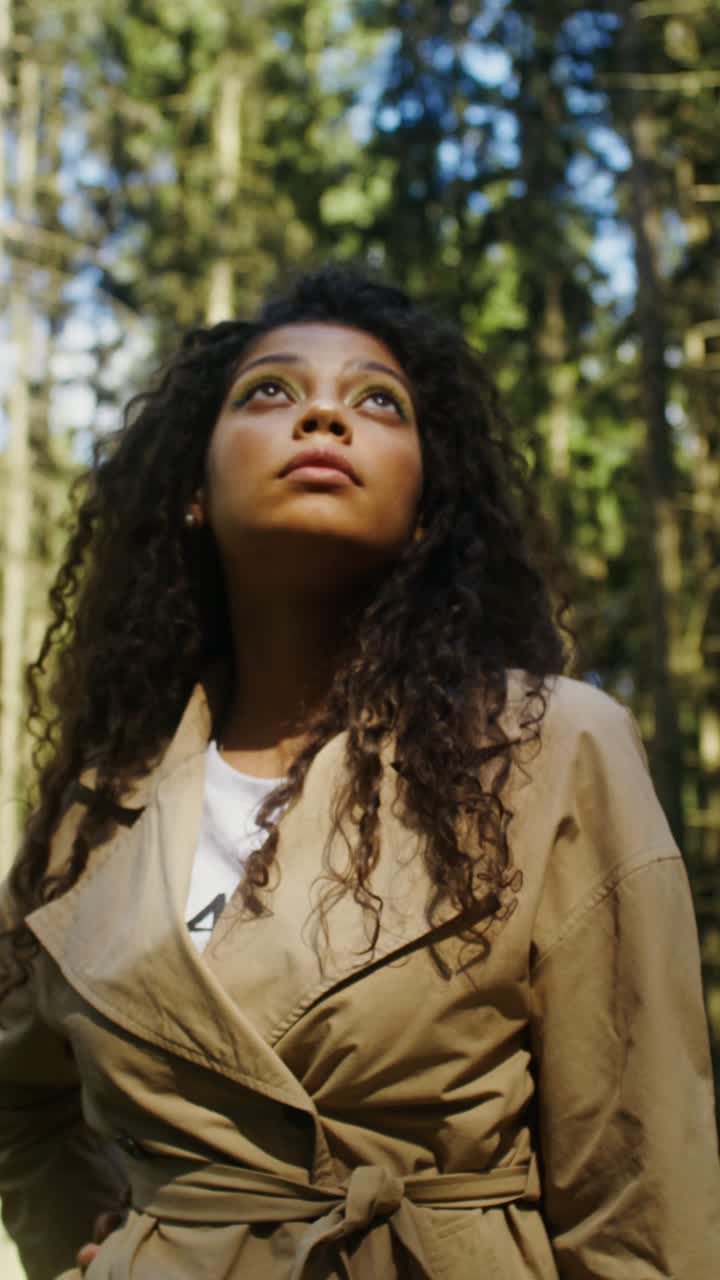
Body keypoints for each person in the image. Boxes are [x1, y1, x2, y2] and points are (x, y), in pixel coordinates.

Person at [0, 264, 717, 1280]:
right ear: (193, 494)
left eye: (379, 401)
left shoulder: (549, 749)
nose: (325, 416)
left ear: (426, 510)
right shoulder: (98, 810)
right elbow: (20, 1097)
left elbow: (642, 1193)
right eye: (270, 391)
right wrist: (118, 1241)